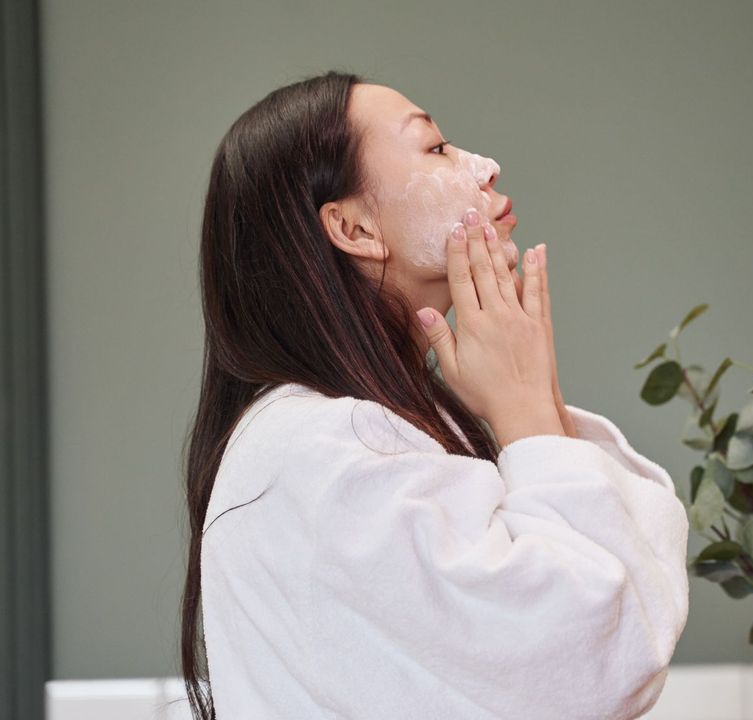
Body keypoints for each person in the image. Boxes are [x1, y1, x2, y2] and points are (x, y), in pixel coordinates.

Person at [180, 70, 690, 719]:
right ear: (355, 230)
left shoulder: (353, 435)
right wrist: (527, 410)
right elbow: (584, 670)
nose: (485, 165)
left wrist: (536, 402)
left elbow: (621, 638)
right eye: (436, 148)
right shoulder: (322, 450)